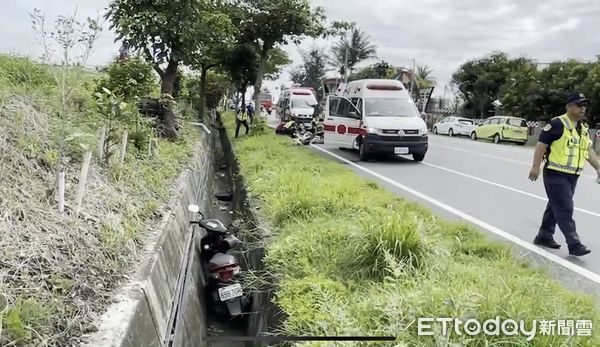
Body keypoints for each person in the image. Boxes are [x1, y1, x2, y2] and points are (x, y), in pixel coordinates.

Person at [528, 92, 600, 256]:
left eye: (584, 105)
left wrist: (598, 168)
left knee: (556, 206)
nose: (582, 108)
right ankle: (574, 244)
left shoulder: (583, 128)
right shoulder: (557, 124)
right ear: (569, 106)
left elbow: (588, 150)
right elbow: (541, 145)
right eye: (578, 105)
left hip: (572, 176)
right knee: (565, 208)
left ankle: (544, 236)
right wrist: (535, 166)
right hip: (555, 174)